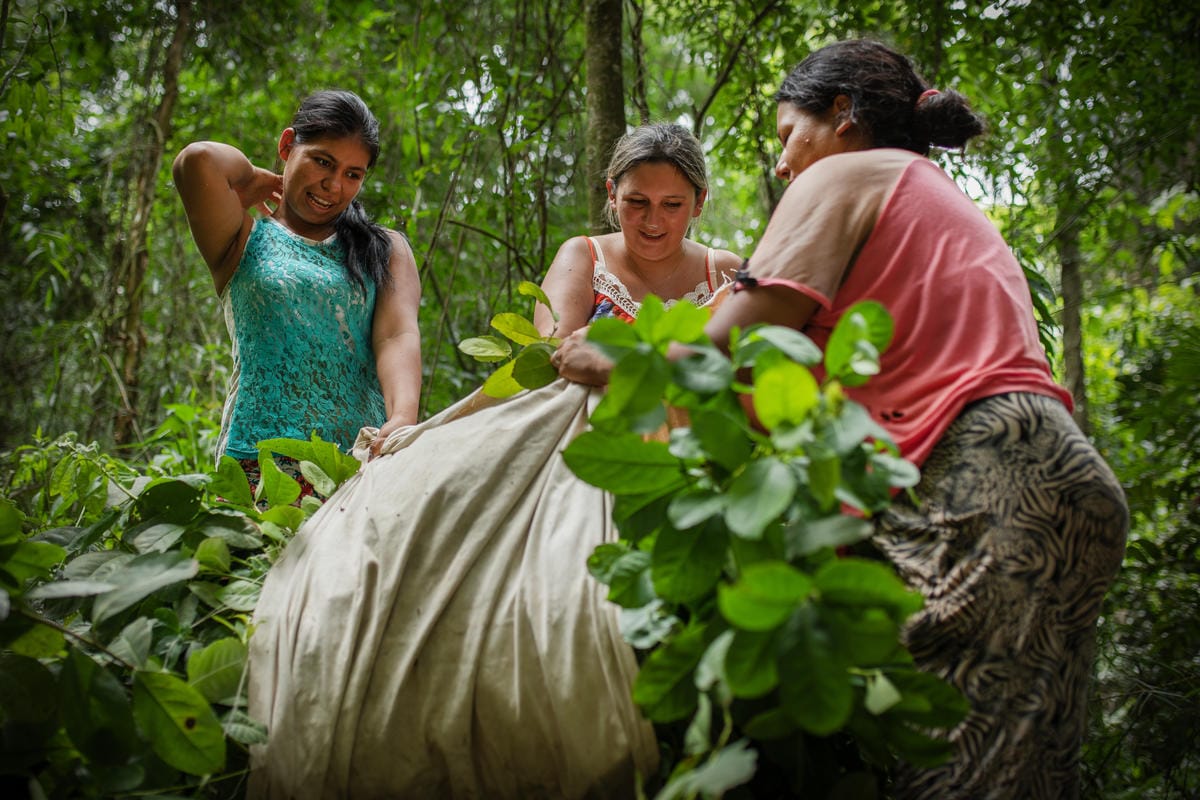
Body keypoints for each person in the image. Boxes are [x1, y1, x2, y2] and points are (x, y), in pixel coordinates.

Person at [660, 39, 1124, 800]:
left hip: (992, 487)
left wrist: (603, 359)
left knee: (960, 779)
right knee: (1023, 776)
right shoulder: (921, 195)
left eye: (785, 136)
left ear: (842, 114)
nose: (781, 164)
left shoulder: (845, 172)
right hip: (1046, 482)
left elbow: (722, 348)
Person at [246, 124, 740, 799]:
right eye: (636, 202)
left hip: (684, 430)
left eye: (671, 204)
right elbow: (551, 359)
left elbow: (741, 362)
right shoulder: (584, 254)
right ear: (610, 196)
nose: (653, 220)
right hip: (579, 419)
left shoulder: (725, 273)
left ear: (700, 203)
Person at [172, 90, 421, 497]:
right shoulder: (243, 237)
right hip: (258, 463)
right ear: (288, 146)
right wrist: (254, 179)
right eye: (322, 161)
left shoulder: (385, 249)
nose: (334, 185)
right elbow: (196, 161)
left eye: (352, 174)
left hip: (358, 463)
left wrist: (403, 415)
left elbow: (397, 336)